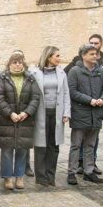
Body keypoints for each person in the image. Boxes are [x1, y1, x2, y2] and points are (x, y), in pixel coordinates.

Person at [65, 34, 103, 174]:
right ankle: (72, 172)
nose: (95, 56)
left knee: (91, 144)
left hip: (96, 114)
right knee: (76, 145)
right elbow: (72, 91)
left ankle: (89, 171)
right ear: (83, 56)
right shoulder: (74, 71)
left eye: (96, 54)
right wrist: (89, 100)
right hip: (80, 113)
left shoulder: (100, 70)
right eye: (92, 54)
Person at [0, 51, 40, 190]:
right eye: (14, 62)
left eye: (20, 62)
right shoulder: (3, 78)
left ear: (23, 64)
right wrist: (10, 113)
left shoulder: (30, 78)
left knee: (22, 149)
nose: (17, 65)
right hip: (7, 120)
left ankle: (19, 176)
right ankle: (7, 177)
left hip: (25, 120)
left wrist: (27, 112)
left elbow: (35, 98)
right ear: (9, 64)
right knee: (7, 150)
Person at [32, 46, 71, 186]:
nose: (59, 58)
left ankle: (51, 176)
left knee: (53, 145)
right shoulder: (35, 73)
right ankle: (41, 177)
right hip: (40, 113)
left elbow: (66, 93)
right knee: (40, 145)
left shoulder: (62, 73)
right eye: (57, 56)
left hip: (57, 113)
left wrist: (66, 113)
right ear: (49, 57)